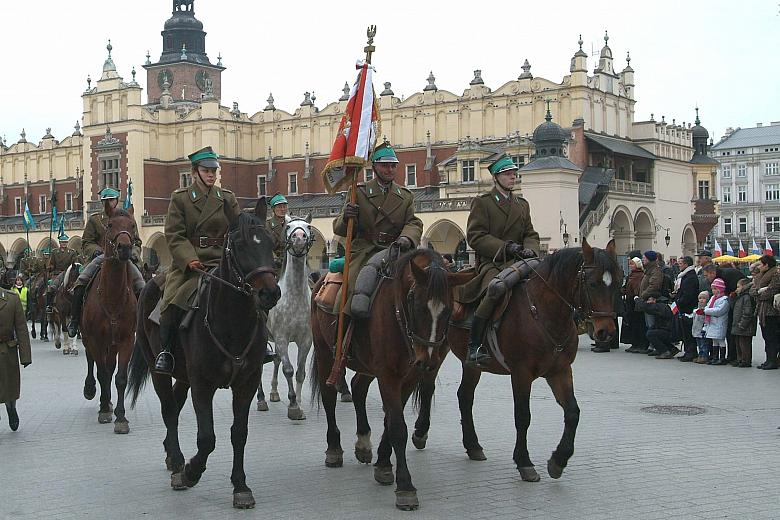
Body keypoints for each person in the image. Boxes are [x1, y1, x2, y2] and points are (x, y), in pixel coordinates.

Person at [154, 146, 243, 374]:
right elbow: (174, 235)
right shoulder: (181, 199)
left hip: (224, 262)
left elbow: (238, 230)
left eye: (214, 170)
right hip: (191, 266)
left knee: (250, 294)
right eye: (206, 170)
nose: (211, 175)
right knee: (171, 301)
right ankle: (166, 352)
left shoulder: (226, 199)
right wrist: (189, 259)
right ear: (195, 172)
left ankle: (261, 345)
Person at [455, 154, 540, 366]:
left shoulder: (522, 204)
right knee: (495, 289)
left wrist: (530, 249)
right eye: (508, 174)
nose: (513, 177)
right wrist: (505, 247)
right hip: (493, 262)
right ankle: (475, 345)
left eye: (514, 174)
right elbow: (476, 236)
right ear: (496, 177)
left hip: (521, 259)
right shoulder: (483, 203)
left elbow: (530, 233)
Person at [332, 141, 423, 318]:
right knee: (352, 287)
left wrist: (407, 238)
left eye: (393, 166)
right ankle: (341, 330)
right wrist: (347, 217)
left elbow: (413, 222)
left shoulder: (405, 196)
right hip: (365, 251)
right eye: (385, 166)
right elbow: (339, 228)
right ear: (374, 166)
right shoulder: (358, 192)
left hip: (396, 250)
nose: (390, 170)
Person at [67, 188, 145, 338]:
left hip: (124, 258)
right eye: (106, 200)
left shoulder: (127, 218)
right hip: (102, 258)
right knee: (81, 282)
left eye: (112, 199)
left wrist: (133, 253)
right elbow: (87, 242)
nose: (109, 203)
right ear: (102, 202)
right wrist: (96, 251)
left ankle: (144, 322)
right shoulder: (95, 220)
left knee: (142, 285)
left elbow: (137, 241)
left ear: (117, 200)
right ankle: (75, 320)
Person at [0, 285, 32, 431]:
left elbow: (21, 328)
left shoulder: (12, 299)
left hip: (8, 350)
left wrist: (25, 356)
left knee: (9, 388)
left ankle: (11, 407)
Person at [701, 263, 745, 364]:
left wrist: (706, 310)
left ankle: (731, 356)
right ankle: (719, 356)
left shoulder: (725, 277)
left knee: (730, 333)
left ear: (712, 273)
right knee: (721, 338)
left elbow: (723, 304)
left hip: (734, 306)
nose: (706, 278)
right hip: (728, 308)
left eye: (706, 275)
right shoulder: (719, 280)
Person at [750, 255, 780, 370]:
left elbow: (771, 291)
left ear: (767, 265)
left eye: (761, 264)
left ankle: (772, 361)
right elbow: (752, 291)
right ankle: (768, 360)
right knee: (766, 336)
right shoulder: (759, 276)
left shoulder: (776, 275)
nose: (759, 266)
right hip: (762, 310)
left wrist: (759, 293)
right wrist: (759, 292)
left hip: (772, 311)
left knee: (772, 337)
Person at [46, 232, 79, 313]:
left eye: (65, 242)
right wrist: (50, 267)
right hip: (57, 273)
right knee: (51, 288)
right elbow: (51, 263)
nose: (64, 244)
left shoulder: (72, 252)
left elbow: (75, 263)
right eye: (62, 242)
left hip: (68, 272)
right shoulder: (54, 252)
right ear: (59, 243)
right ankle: (50, 305)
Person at [674, 256, 699, 362]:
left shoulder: (690, 277)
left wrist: (679, 302)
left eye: (680, 263)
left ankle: (691, 352)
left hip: (687, 308)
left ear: (686, 264)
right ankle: (688, 351)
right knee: (685, 331)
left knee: (688, 331)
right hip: (684, 307)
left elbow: (688, 294)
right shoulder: (686, 276)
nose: (679, 265)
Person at [622, 257, 649, 353]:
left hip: (636, 300)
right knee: (632, 322)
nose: (630, 266)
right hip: (630, 301)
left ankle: (641, 344)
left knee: (639, 323)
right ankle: (634, 343)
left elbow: (639, 287)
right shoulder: (631, 275)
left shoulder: (640, 275)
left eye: (632, 264)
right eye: (630, 264)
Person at [730, 277, 757, 368]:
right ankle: (740, 359)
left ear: (744, 286)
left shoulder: (747, 297)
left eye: (738, 287)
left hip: (744, 326)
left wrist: (742, 324)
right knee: (738, 344)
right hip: (738, 324)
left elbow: (747, 312)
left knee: (744, 344)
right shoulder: (739, 297)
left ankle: (746, 360)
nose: (737, 289)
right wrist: (732, 298)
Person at [702, 278, 730, 365]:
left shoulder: (724, 299)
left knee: (720, 340)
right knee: (714, 340)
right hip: (712, 322)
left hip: (720, 322)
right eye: (713, 289)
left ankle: (722, 358)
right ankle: (715, 357)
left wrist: (706, 311)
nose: (713, 290)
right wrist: (707, 309)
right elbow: (707, 306)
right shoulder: (713, 298)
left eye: (715, 289)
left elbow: (719, 310)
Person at [267, 193, 289, 271]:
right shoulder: (267, 225)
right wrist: (275, 258)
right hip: (273, 263)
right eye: (279, 207)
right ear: (273, 209)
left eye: (284, 206)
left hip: (290, 260)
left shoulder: (291, 223)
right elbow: (265, 246)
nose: (283, 209)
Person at [691, 291, 711, 363]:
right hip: (696, 329)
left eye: (703, 298)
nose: (701, 300)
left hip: (703, 329)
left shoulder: (707, 309)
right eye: (700, 298)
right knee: (699, 344)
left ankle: (704, 356)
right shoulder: (696, 309)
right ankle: (700, 355)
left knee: (704, 344)